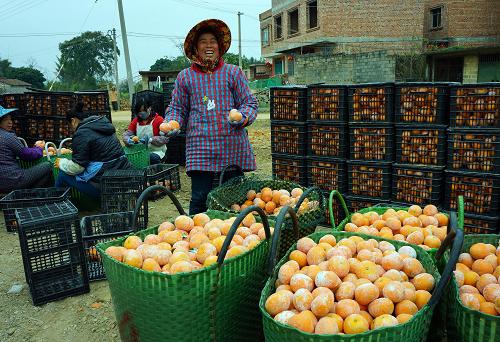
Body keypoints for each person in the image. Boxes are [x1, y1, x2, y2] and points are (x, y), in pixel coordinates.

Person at [164, 19, 258, 214]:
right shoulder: (185, 77)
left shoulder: (233, 73)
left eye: (213, 41)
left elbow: (249, 103)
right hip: (200, 147)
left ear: (219, 46)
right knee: (199, 197)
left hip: (231, 145)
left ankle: (233, 237)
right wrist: (172, 122)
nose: (209, 45)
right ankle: (197, 235)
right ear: (195, 48)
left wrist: (243, 116)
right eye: (203, 42)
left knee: (234, 198)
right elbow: (177, 108)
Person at [55, 103, 132, 198]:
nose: (72, 130)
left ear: (73, 121)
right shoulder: (103, 126)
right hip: (124, 178)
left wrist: (62, 163)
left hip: (105, 186)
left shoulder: (81, 134)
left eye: (70, 126)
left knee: (62, 175)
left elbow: (77, 167)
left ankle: (57, 202)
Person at [0, 105, 53, 193]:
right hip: (13, 180)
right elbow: (27, 155)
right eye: (6, 120)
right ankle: (30, 196)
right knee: (48, 166)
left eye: (10, 119)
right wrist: (38, 148)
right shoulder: (7, 136)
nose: (10, 122)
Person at [123, 97, 168, 165]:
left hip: (157, 151)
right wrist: (128, 140)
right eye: (139, 111)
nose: (142, 113)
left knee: (152, 158)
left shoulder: (159, 120)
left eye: (144, 110)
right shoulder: (136, 121)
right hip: (140, 152)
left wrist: (151, 140)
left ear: (149, 108)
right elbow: (127, 134)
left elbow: (166, 138)